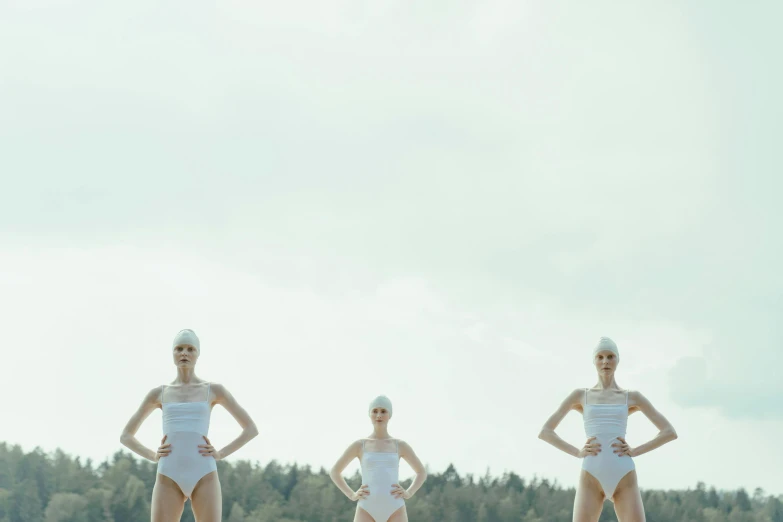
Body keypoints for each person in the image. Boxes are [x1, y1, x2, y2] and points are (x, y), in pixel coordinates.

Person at [120, 329, 258, 521]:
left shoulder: (214, 390)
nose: (184, 353)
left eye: (190, 349)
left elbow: (251, 429)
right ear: (173, 353)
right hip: (168, 473)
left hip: (204, 473)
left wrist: (221, 453)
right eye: (179, 349)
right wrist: (152, 455)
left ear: (198, 353)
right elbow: (126, 436)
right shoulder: (158, 393)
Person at [538, 337, 678, 522]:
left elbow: (668, 432)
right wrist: (577, 452)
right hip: (591, 475)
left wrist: (635, 451)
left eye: (610, 356)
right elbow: (546, 432)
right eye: (600, 357)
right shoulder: (581, 395)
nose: (605, 361)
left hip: (624, 475)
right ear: (594, 361)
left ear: (617, 360)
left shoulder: (632, 397)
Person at [330, 396, 428, 522]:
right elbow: (335, 472)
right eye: (375, 411)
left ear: (390, 415)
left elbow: (421, 472)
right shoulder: (360, 445)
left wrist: (409, 492)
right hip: (366, 507)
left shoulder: (400, 445)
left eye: (383, 411)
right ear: (370, 414)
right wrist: (351, 495)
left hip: (395, 507)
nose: (379, 415)